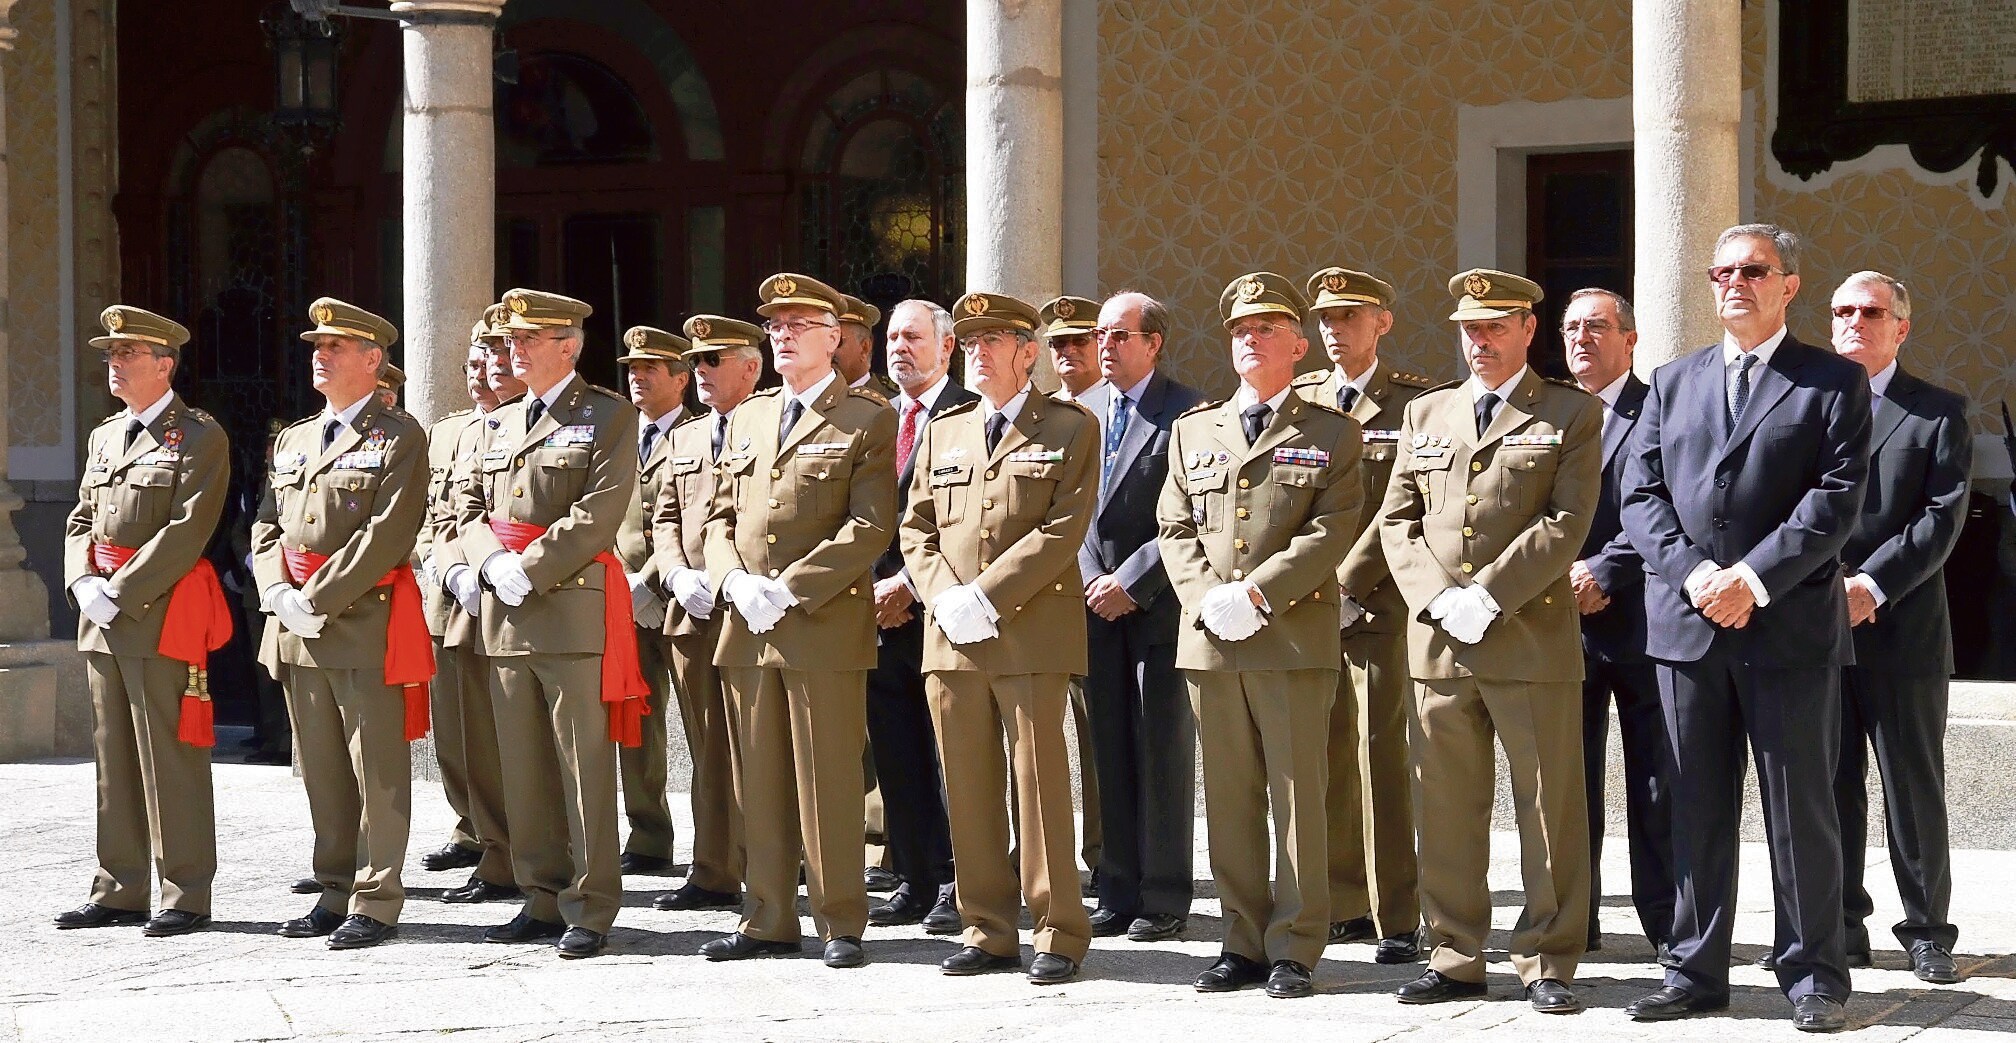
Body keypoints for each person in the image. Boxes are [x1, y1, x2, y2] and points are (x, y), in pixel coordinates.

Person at [1620, 224, 1869, 1032]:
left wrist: (1752, 579)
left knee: (1801, 808)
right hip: (1688, 627)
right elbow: (1642, 492)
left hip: (1786, 626)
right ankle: (1693, 968)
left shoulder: (1832, 380)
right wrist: (1696, 575)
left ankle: (1813, 974)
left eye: (1753, 270)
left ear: (1788, 284)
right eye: (1722, 270)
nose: (1735, 282)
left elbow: (1834, 500)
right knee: (1692, 803)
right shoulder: (1672, 379)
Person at [1381, 269, 1601, 1014]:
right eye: (1469, 329)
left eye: (1495, 327)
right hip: (1440, 640)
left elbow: (1566, 522)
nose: (1480, 341)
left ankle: (1548, 956)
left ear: (1528, 330)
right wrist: (1438, 595)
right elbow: (1396, 520)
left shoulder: (1569, 414)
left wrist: (1489, 594)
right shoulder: (1427, 413)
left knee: (1547, 806)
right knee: (1445, 805)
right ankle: (1453, 953)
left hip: (1527, 637)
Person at [1163, 273, 1363, 999]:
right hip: (1213, 638)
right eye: (1241, 329)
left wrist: (1258, 591)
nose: (1251, 338)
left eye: (1268, 327)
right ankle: (1240, 938)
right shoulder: (1195, 428)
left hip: (1289, 637)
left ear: (1299, 344)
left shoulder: (1332, 431)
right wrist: (1207, 599)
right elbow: (1174, 526)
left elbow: (1333, 524)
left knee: (1296, 793)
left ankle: (1296, 943)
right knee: (1230, 795)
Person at [900, 290, 1100, 984]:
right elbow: (915, 527)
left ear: (1027, 352)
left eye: (995, 341)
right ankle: (986, 927)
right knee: (970, 786)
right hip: (951, 637)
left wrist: (987, 595)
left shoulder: (1070, 427)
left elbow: (1062, 527)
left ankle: (1059, 930)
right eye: (972, 341)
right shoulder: (945, 428)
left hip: (1029, 633)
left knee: (1039, 786)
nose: (981, 352)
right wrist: (944, 596)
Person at [697, 273, 896, 970]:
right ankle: (766, 917)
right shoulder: (748, 416)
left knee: (828, 781)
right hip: (748, 625)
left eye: (797, 324)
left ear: (833, 337)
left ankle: (840, 919)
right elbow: (717, 516)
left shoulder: (867, 417)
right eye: (775, 324)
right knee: (761, 781)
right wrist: (734, 581)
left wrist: (791, 588)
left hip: (820, 624)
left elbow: (871, 524)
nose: (782, 334)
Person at [450, 288, 646, 959]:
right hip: (505, 613)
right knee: (523, 766)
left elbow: (598, 512)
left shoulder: (606, 416)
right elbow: (466, 508)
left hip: (565, 609)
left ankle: (591, 904)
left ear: (568, 345)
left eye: (528, 338)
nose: (514, 350)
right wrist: (487, 563)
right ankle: (540, 894)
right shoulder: (498, 424)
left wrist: (526, 568)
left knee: (581, 764)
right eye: (510, 340)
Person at [253, 298, 430, 950]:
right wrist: (275, 586)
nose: (319, 357)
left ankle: (377, 896)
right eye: (315, 347)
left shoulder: (398, 434)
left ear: (372, 359)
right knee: (323, 768)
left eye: (335, 347)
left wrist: (316, 597)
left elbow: (386, 536)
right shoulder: (295, 437)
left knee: (375, 767)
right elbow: (267, 521)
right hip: (297, 625)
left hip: (358, 622)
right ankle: (333, 888)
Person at [57, 305, 229, 938]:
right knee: (114, 755)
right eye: (110, 355)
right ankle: (119, 887)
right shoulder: (106, 436)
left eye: (127, 355)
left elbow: (188, 529)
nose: (115, 364)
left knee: (170, 756)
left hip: (158, 613)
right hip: (101, 613)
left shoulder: (199, 436)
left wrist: (120, 591)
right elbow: (80, 517)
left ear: (165, 364)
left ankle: (186, 891)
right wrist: (82, 580)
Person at [1826, 271, 1969, 985]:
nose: (1855, 320)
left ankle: (1927, 931)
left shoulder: (1936, 412)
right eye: (1843, 311)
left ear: (1901, 327)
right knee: (1829, 782)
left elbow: (1940, 519)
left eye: (1871, 311)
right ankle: (1841, 924)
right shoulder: (1806, 404)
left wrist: (1871, 583)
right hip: (1816, 630)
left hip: (1901, 630)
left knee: (1911, 783)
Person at [1289, 266, 1429, 961]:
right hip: (1304, 604)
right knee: (1325, 752)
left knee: (1380, 752)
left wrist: (1349, 580)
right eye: (1325, 319)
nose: (1335, 330)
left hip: (1377, 604)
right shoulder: (1299, 401)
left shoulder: (1414, 404)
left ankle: (1397, 910)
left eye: (1349, 317)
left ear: (1383, 322)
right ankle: (1343, 898)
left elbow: (1404, 503)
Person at [1080, 290, 1205, 942]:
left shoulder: (1186, 412)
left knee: (1160, 749)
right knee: (1108, 746)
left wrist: (1130, 580)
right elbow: (1069, 509)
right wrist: (1091, 579)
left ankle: (1163, 896)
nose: (1105, 345)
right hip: (1094, 607)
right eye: (1101, 333)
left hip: (1156, 605)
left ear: (1154, 342)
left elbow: (1187, 516)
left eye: (1119, 335)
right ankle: (1118, 887)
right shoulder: (1082, 411)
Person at [1559, 287, 1675, 963]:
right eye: (1573, 327)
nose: (1583, 338)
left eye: (1598, 327)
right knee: (1568, 780)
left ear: (1629, 339)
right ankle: (1577, 917)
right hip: (1559, 622)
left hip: (1640, 620)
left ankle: (1664, 922)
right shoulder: (1548, 412)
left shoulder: (1658, 408)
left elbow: (1669, 503)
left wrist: (1605, 568)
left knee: (1656, 780)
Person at [646, 313, 764, 913]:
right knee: (707, 747)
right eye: (696, 362)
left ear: (751, 366)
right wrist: (674, 572)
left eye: (714, 360)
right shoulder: (685, 438)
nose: (702, 372)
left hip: (750, 613)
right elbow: (664, 518)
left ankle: (774, 861)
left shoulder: (768, 425)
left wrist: (725, 577)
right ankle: (715, 867)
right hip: (691, 614)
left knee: (760, 746)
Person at [864, 299, 970, 932]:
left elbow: (968, 521)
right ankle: (914, 874)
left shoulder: (969, 413)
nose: (898, 347)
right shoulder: (876, 419)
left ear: (946, 347)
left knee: (953, 752)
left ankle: (963, 878)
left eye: (912, 337)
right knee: (897, 748)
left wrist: (908, 583)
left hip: (942, 609)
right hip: (874, 615)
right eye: (892, 339)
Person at [416, 307, 521, 900]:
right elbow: (434, 513)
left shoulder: (527, 427)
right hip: (448, 596)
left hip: (505, 593)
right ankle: (476, 828)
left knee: (498, 733)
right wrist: (437, 559)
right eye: (473, 364)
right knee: (455, 732)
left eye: (495, 364)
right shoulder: (451, 431)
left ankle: (507, 847)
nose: (482, 375)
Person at [612, 324, 693, 876]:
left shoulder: (700, 432)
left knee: (707, 729)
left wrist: (651, 580)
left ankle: (720, 847)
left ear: (681, 379)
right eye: (632, 369)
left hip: (684, 599)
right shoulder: (615, 434)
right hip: (623, 602)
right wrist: (623, 582)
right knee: (635, 722)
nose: (637, 377)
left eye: (650, 369)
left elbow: (696, 521)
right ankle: (647, 836)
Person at [1038, 295, 1106, 892]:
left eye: (1079, 342)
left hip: (1111, 597)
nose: (1068, 354)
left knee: (1097, 740)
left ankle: (1105, 861)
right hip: (1046, 598)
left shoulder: (1124, 412)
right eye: (1056, 344)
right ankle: (1026, 856)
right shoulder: (1044, 418)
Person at [839, 293, 900, 400]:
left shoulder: (891, 403)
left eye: (836, 342)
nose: (827, 349)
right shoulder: (809, 401)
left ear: (864, 348)